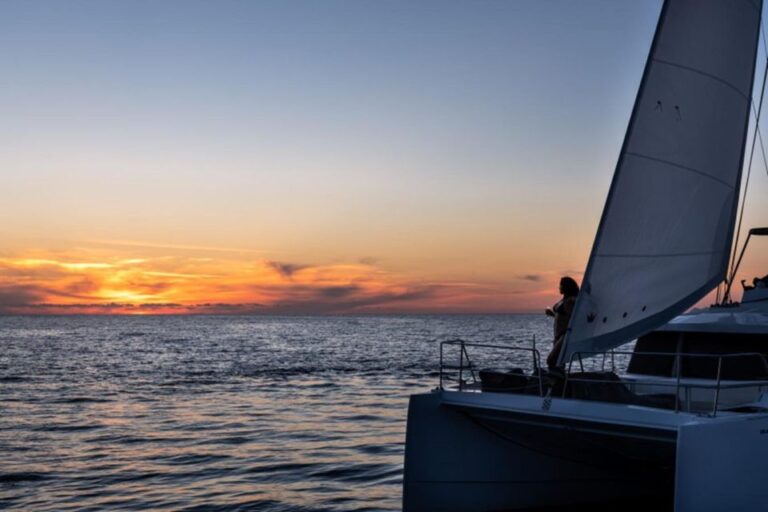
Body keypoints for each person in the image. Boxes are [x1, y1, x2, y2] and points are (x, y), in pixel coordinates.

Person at [545, 276, 579, 368]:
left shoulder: (570, 301)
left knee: (551, 360)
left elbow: (573, 318)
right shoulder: (564, 299)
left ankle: (556, 381)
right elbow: (563, 316)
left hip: (565, 334)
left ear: (566, 287)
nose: (559, 287)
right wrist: (552, 314)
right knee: (559, 362)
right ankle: (559, 380)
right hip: (558, 335)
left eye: (561, 285)